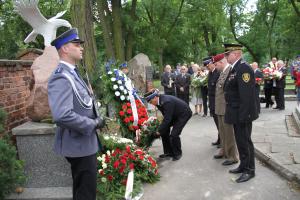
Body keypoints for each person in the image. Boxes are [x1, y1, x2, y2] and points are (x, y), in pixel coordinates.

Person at [48, 28, 105, 199]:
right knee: (86, 192)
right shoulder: (61, 77)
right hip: (78, 144)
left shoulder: (72, 73)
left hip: (83, 142)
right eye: (76, 44)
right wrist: (93, 124)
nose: (81, 47)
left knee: (83, 189)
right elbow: (62, 115)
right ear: (64, 48)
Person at [223, 43, 258, 183]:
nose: (226, 56)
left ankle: (250, 170)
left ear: (236, 54)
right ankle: (243, 165)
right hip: (236, 112)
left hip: (242, 113)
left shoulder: (243, 68)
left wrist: (244, 115)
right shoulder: (235, 68)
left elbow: (246, 96)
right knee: (240, 141)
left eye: (227, 54)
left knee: (245, 141)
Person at [144, 89, 192, 161]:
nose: (151, 104)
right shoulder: (158, 102)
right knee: (164, 131)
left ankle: (178, 153)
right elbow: (166, 115)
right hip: (174, 114)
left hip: (184, 114)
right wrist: (162, 129)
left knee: (174, 134)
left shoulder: (166, 102)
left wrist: (159, 131)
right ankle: (168, 152)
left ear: (155, 97)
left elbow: (167, 119)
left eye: (151, 101)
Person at [213, 53, 239, 166]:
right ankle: (224, 150)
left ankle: (233, 156)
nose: (215, 66)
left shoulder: (230, 71)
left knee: (229, 133)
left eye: (216, 64)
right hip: (220, 108)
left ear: (222, 62)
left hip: (226, 108)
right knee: (222, 132)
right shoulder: (223, 72)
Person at [204, 56, 221, 146]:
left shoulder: (218, 72)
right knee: (216, 121)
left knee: (219, 122)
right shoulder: (211, 73)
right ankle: (219, 138)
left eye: (208, 66)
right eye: (206, 67)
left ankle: (221, 140)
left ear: (211, 64)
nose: (207, 68)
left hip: (217, 100)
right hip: (212, 100)